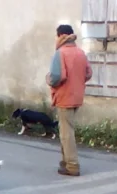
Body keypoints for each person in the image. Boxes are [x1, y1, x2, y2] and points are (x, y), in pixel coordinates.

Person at [46, 24, 92, 176]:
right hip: (77, 96)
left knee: (66, 133)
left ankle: (72, 165)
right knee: (67, 130)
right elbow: (88, 74)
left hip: (64, 97)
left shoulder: (60, 53)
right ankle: (65, 162)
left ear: (60, 36)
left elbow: (56, 77)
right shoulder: (80, 52)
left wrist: (48, 79)